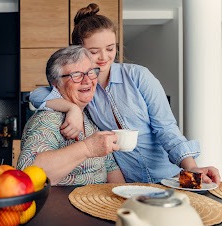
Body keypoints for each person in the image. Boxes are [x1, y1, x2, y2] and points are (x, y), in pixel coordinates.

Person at [29, 3, 220, 184]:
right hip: (129, 181)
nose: (104, 57)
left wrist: (192, 167)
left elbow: (166, 128)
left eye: (110, 48)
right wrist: (72, 109)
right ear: (79, 51)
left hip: (168, 176)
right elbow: (36, 95)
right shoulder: (85, 87)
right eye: (94, 51)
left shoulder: (139, 76)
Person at [17, 45, 125, 186]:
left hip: (97, 203)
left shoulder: (89, 116)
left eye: (90, 72)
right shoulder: (48, 119)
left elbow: (110, 166)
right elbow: (28, 173)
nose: (87, 81)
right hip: (64, 205)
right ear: (56, 84)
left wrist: (121, 199)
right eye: (76, 75)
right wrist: (88, 148)